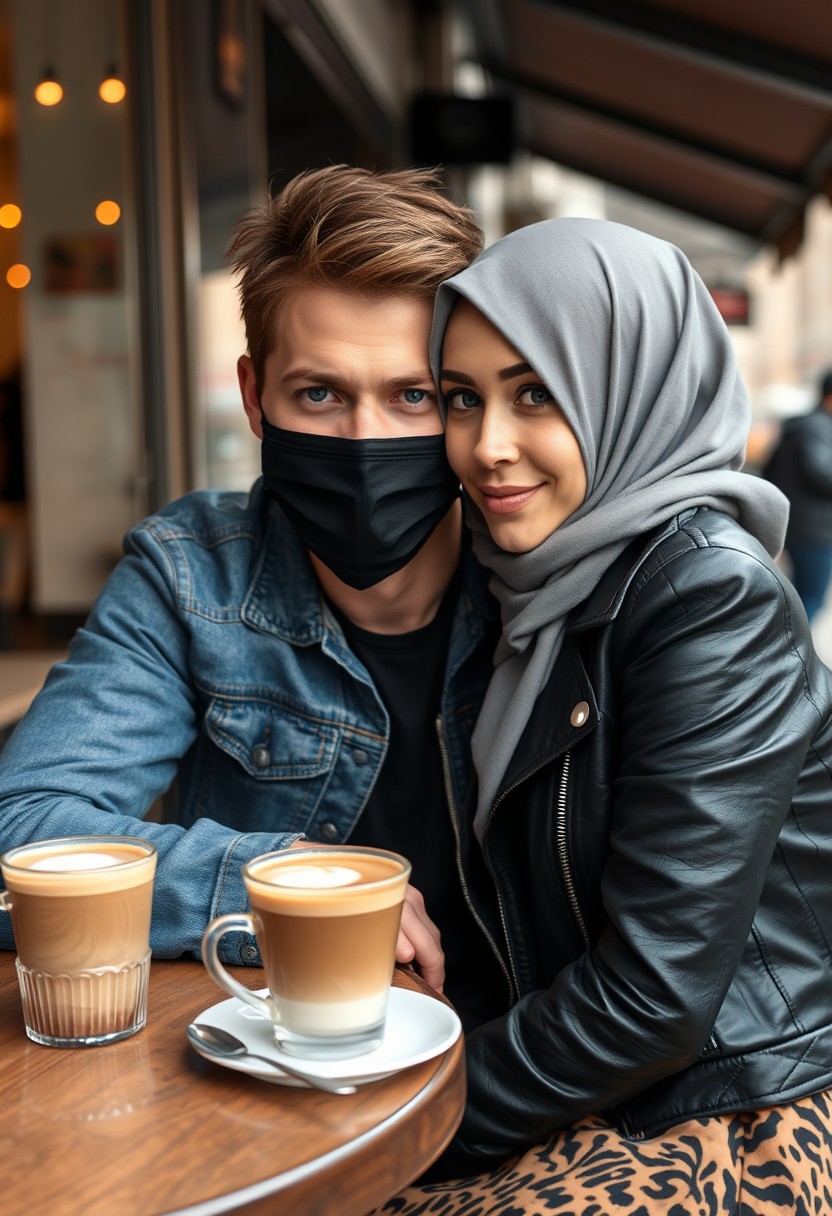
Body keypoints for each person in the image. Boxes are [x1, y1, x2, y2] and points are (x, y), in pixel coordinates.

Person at [377, 218, 832, 1212]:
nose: (487, 446)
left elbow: (653, 998)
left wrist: (401, 1121)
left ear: (629, 384)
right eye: (462, 398)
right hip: (585, 1093)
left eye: (536, 392)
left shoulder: (706, 594)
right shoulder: (523, 587)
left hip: (729, 1114)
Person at [0, 166, 507, 1028]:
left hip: (537, 1070)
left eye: (412, 396)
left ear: (464, 402)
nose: (363, 438)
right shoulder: (192, 573)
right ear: (252, 398)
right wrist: (293, 885)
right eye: (320, 393)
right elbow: (22, 833)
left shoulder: (550, 577)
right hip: (289, 1074)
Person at [762, 366, 832, 622]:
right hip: (814, 531)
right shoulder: (817, 428)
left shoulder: (803, 425)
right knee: (810, 598)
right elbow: (821, 473)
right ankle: (794, 655)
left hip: (801, 526)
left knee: (801, 597)